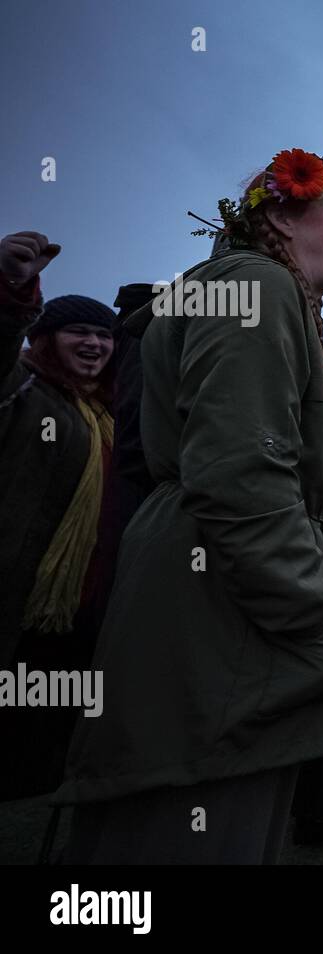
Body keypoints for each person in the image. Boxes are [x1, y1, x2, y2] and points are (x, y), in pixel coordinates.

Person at [54, 126, 323, 863]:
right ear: (279, 214)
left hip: (230, 597)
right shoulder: (257, 288)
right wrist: (312, 602)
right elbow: (241, 472)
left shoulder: (278, 300)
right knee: (188, 830)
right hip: (224, 604)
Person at [1, 233, 119, 804]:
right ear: (43, 339)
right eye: (79, 332)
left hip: (79, 606)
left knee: (43, 749)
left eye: (103, 335)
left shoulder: (105, 412)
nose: (95, 343)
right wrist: (14, 288)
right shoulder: (21, 389)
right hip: (17, 595)